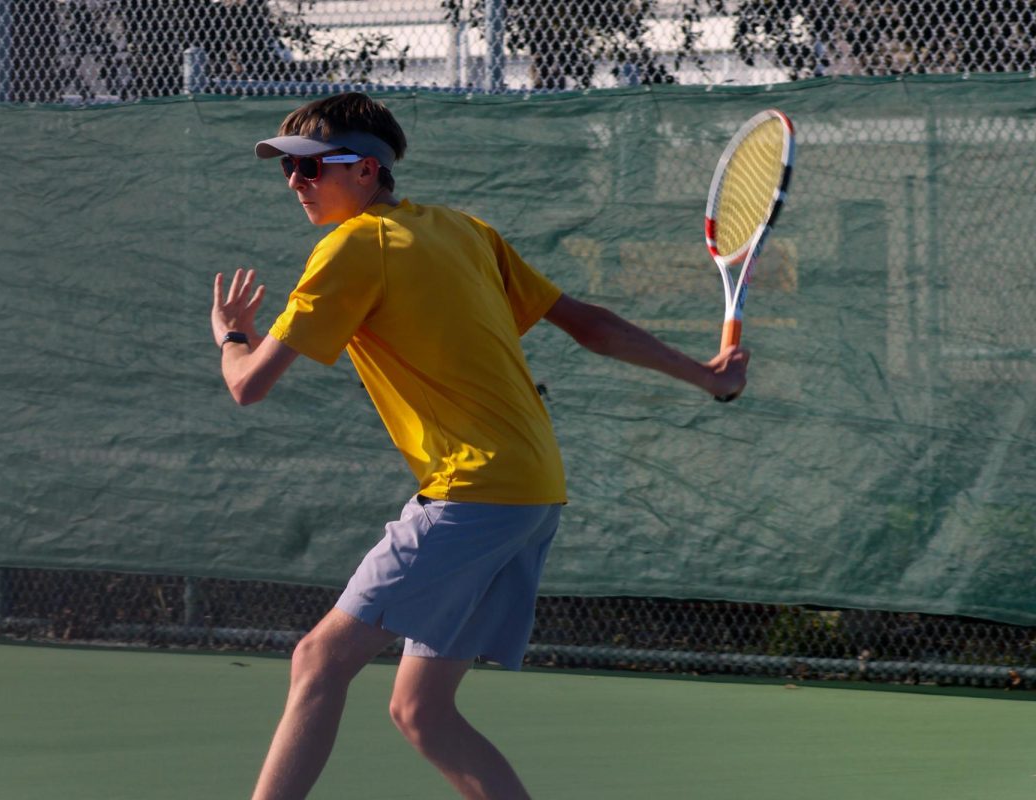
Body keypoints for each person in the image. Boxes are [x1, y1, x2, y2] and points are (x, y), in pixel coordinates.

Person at [210, 92, 748, 800]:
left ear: (367, 171)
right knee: (421, 710)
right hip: (533, 491)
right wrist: (706, 375)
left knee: (319, 659)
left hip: (474, 491)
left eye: (313, 170)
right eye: (288, 171)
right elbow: (585, 322)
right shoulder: (464, 230)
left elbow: (248, 385)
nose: (295, 185)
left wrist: (231, 333)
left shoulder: (349, 248)